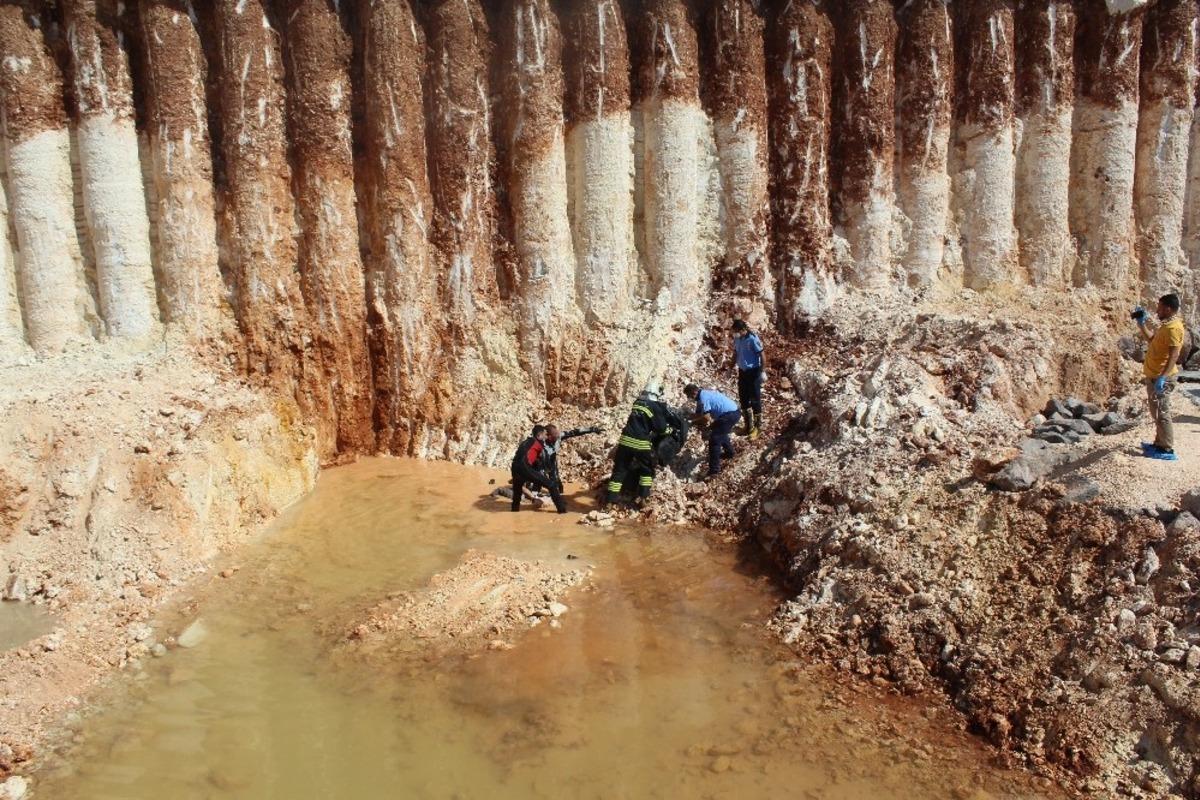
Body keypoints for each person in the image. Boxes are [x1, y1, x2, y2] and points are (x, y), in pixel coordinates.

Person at [1134, 294, 1185, 461]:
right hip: (1155, 376)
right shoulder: (1166, 326)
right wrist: (1141, 324)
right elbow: (1152, 340)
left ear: (1168, 309)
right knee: (1156, 412)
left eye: (1160, 307)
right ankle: (1158, 443)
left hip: (1162, 378)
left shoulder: (1173, 328)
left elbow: (1174, 355)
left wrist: (1163, 377)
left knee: (1162, 412)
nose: (1157, 310)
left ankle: (1167, 449)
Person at [605, 383, 675, 506]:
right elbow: (661, 429)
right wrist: (670, 430)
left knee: (619, 471)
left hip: (624, 442)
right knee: (647, 470)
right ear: (656, 394)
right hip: (640, 444)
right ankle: (643, 499)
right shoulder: (654, 406)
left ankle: (609, 502)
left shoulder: (637, 403)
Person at [684, 383, 740, 478]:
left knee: (714, 440)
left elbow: (706, 417)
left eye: (689, 396)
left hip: (729, 415)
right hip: (733, 412)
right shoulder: (704, 394)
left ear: (694, 392)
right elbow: (698, 414)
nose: (690, 398)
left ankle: (714, 470)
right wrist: (688, 418)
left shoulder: (703, 398)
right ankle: (730, 453)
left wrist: (696, 423)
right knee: (721, 432)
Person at [510, 425, 567, 512]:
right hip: (524, 466)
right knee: (551, 485)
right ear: (539, 436)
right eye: (545, 434)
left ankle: (514, 512)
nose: (546, 437)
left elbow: (528, 456)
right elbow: (544, 461)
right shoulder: (539, 444)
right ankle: (562, 511)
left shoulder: (525, 442)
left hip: (514, 467)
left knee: (517, 496)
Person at [541, 424, 604, 492]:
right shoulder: (541, 443)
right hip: (541, 461)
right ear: (549, 436)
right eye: (556, 434)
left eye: (558, 432)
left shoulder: (559, 437)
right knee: (540, 478)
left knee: (556, 479)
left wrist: (592, 429)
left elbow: (575, 432)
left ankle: (559, 493)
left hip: (552, 460)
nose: (558, 434)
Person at [731, 319, 765, 440]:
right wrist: (730, 367)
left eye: (736, 331)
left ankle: (757, 428)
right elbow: (735, 353)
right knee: (743, 399)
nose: (735, 334)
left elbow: (762, 355)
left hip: (753, 372)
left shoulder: (752, 339)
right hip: (742, 372)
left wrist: (762, 371)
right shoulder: (737, 339)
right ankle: (748, 426)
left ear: (743, 330)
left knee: (755, 400)